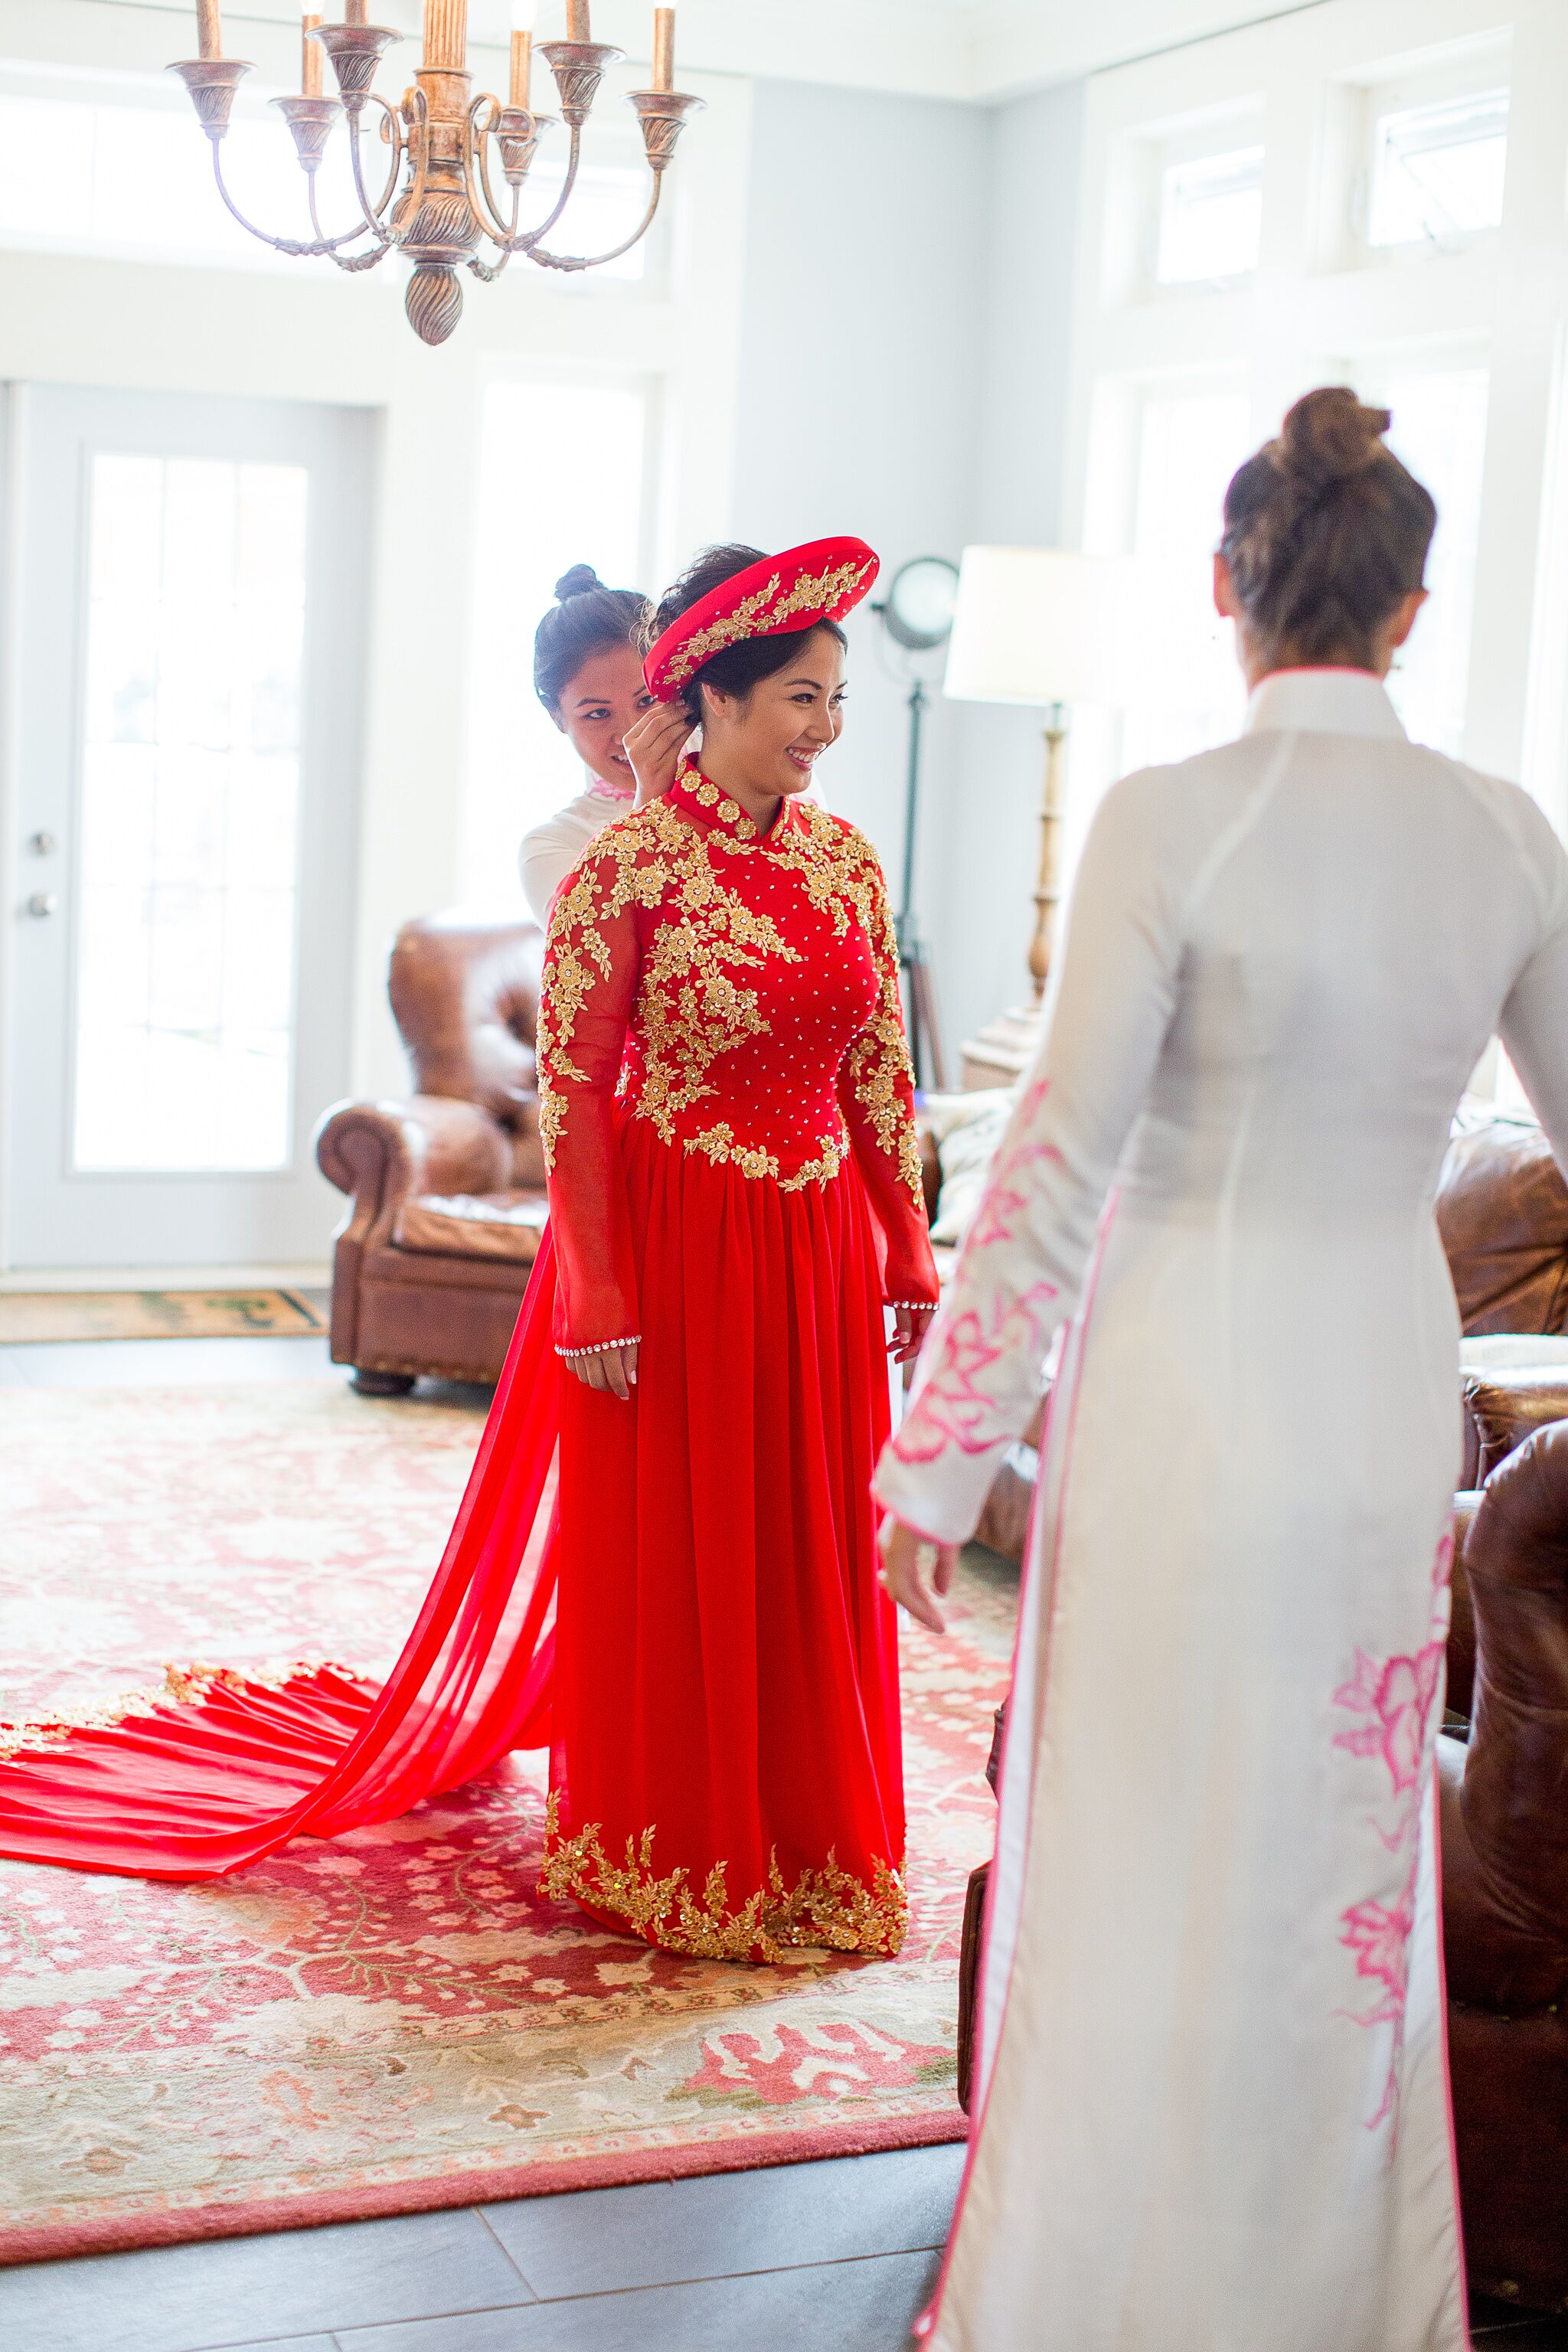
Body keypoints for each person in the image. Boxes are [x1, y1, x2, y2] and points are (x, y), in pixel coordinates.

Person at [877, 388, 1568, 2350]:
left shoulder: (1166, 814)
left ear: (1224, 588)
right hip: (1370, 1391)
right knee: (1330, 1860)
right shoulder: (1506, 834)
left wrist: (937, 1459)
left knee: (1136, 1835)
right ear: (1412, 607)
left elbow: (1053, 1152)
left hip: (1180, 1380)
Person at [0, 537, 940, 1971]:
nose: (821, 728)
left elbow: (877, 1065)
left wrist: (905, 1245)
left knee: (807, 1536)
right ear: (720, 699)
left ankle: (817, 1839)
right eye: (800, 698)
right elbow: (575, 1090)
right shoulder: (625, 867)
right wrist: (600, 1286)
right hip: (680, 1246)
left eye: (836, 701)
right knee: (690, 1543)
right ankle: (681, 1843)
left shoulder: (846, 860)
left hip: (811, 1244)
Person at [518, 564, 674, 927]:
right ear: (557, 717)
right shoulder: (553, 848)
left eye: (647, 701)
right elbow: (611, 966)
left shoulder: (757, 784)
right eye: (598, 713)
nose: (631, 735)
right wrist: (652, 798)